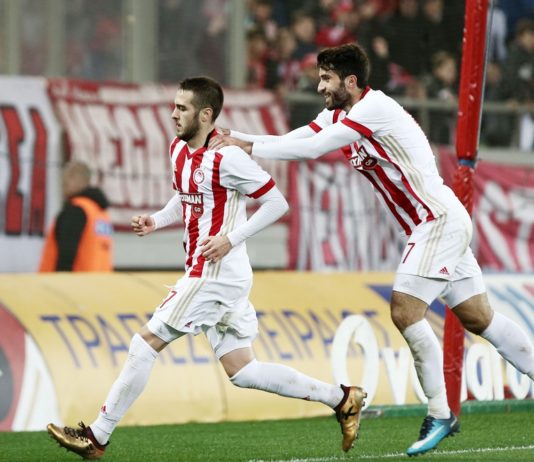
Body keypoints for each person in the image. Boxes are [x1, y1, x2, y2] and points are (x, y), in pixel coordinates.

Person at [209, 43, 534, 456]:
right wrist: (238, 139)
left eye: (326, 79)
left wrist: (248, 147)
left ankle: (440, 412)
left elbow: (312, 150)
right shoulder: (337, 113)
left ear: (350, 81)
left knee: (405, 311)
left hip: (437, 221)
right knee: (479, 317)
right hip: (434, 224)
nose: (320, 86)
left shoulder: (374, 109)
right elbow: (298, 138)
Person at [46, 76, 366, 460]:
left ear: (205, 114)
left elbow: (277, 203)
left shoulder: (227, 157)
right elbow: (186, 196)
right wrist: (156, 220)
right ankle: (341, 398)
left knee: (144, 343)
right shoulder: (179, 150)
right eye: (174, 106)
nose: (173, 114)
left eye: (182, 108)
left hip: (215, 274)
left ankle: (97, 437)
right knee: (243, 370)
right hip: (216, 274)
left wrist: (231, 238)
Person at [39, 160, 113, 272]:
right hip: (100, 281)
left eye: (67, 179)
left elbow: (66, 253)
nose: (63, 185)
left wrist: (60, 279)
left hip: (71, 281)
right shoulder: (101, 213)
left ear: (78, 180)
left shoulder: (76, 210)